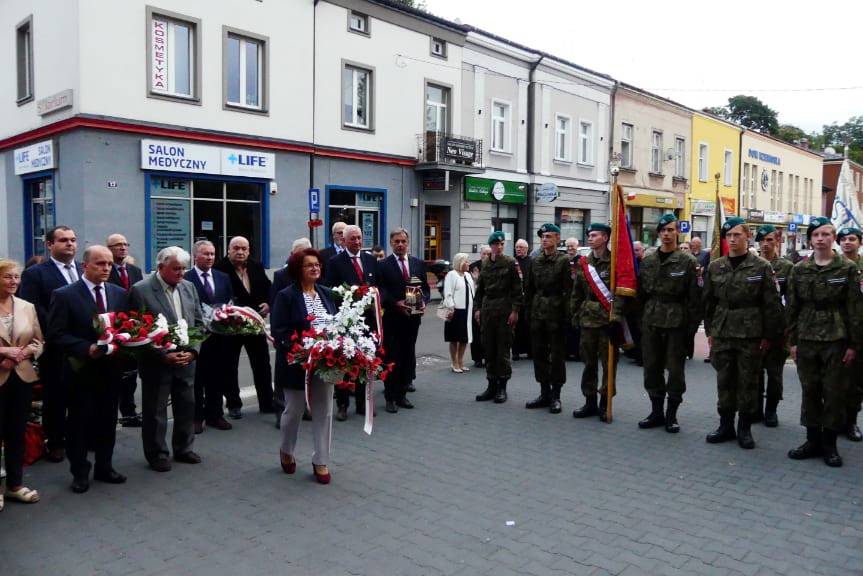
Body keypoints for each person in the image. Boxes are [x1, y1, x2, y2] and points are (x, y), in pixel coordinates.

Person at [48, 246, 129, 493]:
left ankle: (105, 467)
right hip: (80, 371)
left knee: (107, 420)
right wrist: (85, 348)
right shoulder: (65, 295)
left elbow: (124, 327)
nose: (106, 268)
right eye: (99, 264)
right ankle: (80, 472)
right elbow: (55, 334)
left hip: (110, 370)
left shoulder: (118, 293)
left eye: (108, 264)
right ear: (85, 266)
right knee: (79, 423)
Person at [786, 219, 862, 467]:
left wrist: (854, 345)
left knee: (833, 391)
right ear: (810, 239)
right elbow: (793, 308)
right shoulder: (799, 270)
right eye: (816, 234)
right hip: (807, 336)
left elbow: (854, 308)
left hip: (835, 337)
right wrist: (793, 342)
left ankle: (829, 443)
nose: (821, 238)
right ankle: (811, 439)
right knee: (810, 389)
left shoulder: (847, 269)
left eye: (826, 234)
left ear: (833, 238)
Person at [702, 217, 783, 450]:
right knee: (724, 379)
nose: (733, 239)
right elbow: (708, 302)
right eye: (729, 236)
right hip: (724, 330)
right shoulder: (716, 266)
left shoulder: (761, 267)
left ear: (747, 236)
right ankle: (725, 424)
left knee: (748, 381)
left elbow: (771, 304)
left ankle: (744, 427)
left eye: (737, 235)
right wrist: (710, 331)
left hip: (751, 331)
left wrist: (769, 336)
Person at [130, 246, 204, 472]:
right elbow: (136, 330)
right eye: (176, 269)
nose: (181, 274)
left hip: (186, 360)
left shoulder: (189, 287)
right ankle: (157, 453)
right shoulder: (141, 290)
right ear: (160, 267)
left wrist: (193, 351)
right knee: (156, 411)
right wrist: (164, 354)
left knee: (186, 406)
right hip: (157, 362)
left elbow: (198, 323)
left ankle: (183, 448)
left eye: (183, 269)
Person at [271, 248, 338, 484]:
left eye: (317, 264)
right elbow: (280, 331)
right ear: (298, 269)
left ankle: (321, 459)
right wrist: (303, 349)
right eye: (309, 265)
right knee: (294, 412)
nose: (315, 268)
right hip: (296, 365)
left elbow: (336, 324)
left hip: (326, 364)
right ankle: (286, 449)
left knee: (324, 412)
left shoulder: (326, 293)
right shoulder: (286, 296)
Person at [17, 225, 82, 463]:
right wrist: (62, 327)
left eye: (73, 240)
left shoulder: (83, 270)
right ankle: (55, 442)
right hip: (55, 346)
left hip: (84, 345)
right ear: (50, 244)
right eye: (63, 240)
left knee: (81, 396)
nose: (70, 244)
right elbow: (32, 308)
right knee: (56, 397)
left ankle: (79, 437)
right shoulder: (36, 274)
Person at [636, 215, 700, 433]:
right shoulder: (648, 261)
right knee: (651, 368)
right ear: (658, 233)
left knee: (675, 371)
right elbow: (641, 294)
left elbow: (694, 299)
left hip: (676, 323)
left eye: (671, 230)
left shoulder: (688, 262)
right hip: (651, 320)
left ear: (677, 233)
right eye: (663, 230)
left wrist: (690, 330)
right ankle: (656, 411)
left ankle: (671, 414)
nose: (666, 234)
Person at [570, 223, 625, 421]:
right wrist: (575, 314)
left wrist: (616, 318)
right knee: (588, 363)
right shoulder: (584, 263)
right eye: (589, 235)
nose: (590, 238)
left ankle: (605, 402)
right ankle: (589, 401)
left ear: (605, 237)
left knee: (609, 365)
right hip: (587, 321)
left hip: (606, 321)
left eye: (594, 235)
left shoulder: (614, 263)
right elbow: (576, 292)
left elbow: (619, 293)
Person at [0, 259, 43, 508]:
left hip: (22, 377)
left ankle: (15, 485)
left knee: (16, 433)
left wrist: (24, 353)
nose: (14, 282)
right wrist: (5, 353)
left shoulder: (26, 306)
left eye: (17, 277)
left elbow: (39, 341)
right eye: (8, 277)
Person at [215, 236, 274, 418]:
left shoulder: (256, 266)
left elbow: (267, 288)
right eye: (236, 248)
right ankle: (234, 404)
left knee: (262, 364)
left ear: (249, 251)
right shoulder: (219, 269)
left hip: (254, 324)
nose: (240, 252)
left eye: (244, 248)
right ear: (228, 250)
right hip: (231, 327)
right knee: (229, 366)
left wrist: (268, 304)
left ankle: (266, 402)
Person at [323, 225, 378, 421]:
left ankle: (363, 404)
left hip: (367, 321)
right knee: (344, 363)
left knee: (365, 360)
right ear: (344, 241)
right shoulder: (335, 262)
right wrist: (350, 295)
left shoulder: (370, 259)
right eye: (352, 238)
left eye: (359, 238)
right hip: (346, 320)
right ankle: (343, 404)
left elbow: (375, 285)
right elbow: (329, 289)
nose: (356, 241)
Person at [377, 229, 429, 413]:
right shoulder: (383, 265)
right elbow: (381, 291)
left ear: (408, 242)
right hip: (392, 320)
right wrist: (395, 302)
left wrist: (424, 301)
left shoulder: (417, 263)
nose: (400, 244)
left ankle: (402, 394)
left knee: (407, 357)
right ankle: (390, 397)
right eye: (397, 241)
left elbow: (425, 289)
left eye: (403, 241)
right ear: (391, 242)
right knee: (392, 358)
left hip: (412, 320)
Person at [185, 240, 234, 434]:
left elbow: (230, 300)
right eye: (206, 254)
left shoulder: (222, 277)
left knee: (218, 376)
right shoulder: (187, 278)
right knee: (198, 379)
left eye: (213, 254)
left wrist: (227, 316)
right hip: (199, 337)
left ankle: (216, 415)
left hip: (220, 336)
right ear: (195, 256)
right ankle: (197, 417)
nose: (210, 257)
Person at [524, 224, 573, 413]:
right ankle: (544, 393)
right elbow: (528, 289)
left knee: (557, 356)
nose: (545, 239)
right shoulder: (535, 261)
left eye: (549, 236)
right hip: (537, 313)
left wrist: (567, 316)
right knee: (539, 354)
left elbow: (569, 291)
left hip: (555, 313)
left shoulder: (562, 261)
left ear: (557, 239)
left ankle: (556, 395)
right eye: (543, 236)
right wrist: (527, 312)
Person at [473, 231, 522, 404]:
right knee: (489, 348)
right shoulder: (485, 264)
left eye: (501, 244)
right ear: (491, 246)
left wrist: (515, 311)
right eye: (496, 244)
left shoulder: (510, 263)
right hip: (488, 310)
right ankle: (491, 385)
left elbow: (517, 289)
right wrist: (477, 309)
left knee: (502, 350)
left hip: (504, 310)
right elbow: (480, 289)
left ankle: (502, 387)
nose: (499, 247)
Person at [753, 225, 793, 427]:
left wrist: (787, 327)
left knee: (775, 374)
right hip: (754, 328)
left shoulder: (786, 267)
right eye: (762, 240)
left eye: (770, 240)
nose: (766, 244)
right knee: (755, 372)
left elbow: (791, 300)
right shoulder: (752, 265)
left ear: (777, 241)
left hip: (778, 330)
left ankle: (771, 410)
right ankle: (757, 409)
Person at [105, 233, 145, 428]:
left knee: (131, 375)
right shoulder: (105, 270)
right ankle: (109, 416)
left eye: (125, 244)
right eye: (117, 245)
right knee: (114, 377)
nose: (122, 248)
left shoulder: (135, 271)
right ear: (109, 249)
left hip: (134, 329)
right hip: (112, 330)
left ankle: (129, 413)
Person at [837, 227, 863, 441]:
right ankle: (833, 420)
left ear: (860, 242)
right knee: (833, 381)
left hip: (860, 333)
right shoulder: (832, 267)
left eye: (852, 239)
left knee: (855, 382)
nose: (847, 243)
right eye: (843, 239)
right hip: (836, 331)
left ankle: (851, 422)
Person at [442, 253, 474, 373]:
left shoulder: (467, 275)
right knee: (454, 337)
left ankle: (461, 361)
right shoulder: (452, 275)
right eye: (466, 261)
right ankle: (454, 362)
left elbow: (472, 291)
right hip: (455, 311)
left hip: (467, 310)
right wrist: (451, 307)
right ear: (459, 262)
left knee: (464, 338)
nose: (468, 264)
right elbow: (448, 293)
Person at [271, 238, 312, 304]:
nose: (300, 258)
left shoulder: (316, 273)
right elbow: (275, 303)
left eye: (305, 254)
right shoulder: (281, 276)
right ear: (291, 254)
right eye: (297, 255)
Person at [469, 245, 491, 368]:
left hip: (490, 304)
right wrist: (476, 281)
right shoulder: (473, 267)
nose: (486, 256)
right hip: (476, 304)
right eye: (484, 254)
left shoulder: (494, 265)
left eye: (488, 254)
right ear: (480, 254)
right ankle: (477, 358)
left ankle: (488, 357)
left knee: (488, 333)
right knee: (476, 332)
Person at [512, 239, 532, 361]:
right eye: (516, 247)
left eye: (521, 247)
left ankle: (530, 351)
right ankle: (516, 352)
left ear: (526, 249)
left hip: (528, 299)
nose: (518, 249)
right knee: (516, 327)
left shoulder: (532, 262)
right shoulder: (512, 262)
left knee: (529, 326)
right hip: (516, 299)